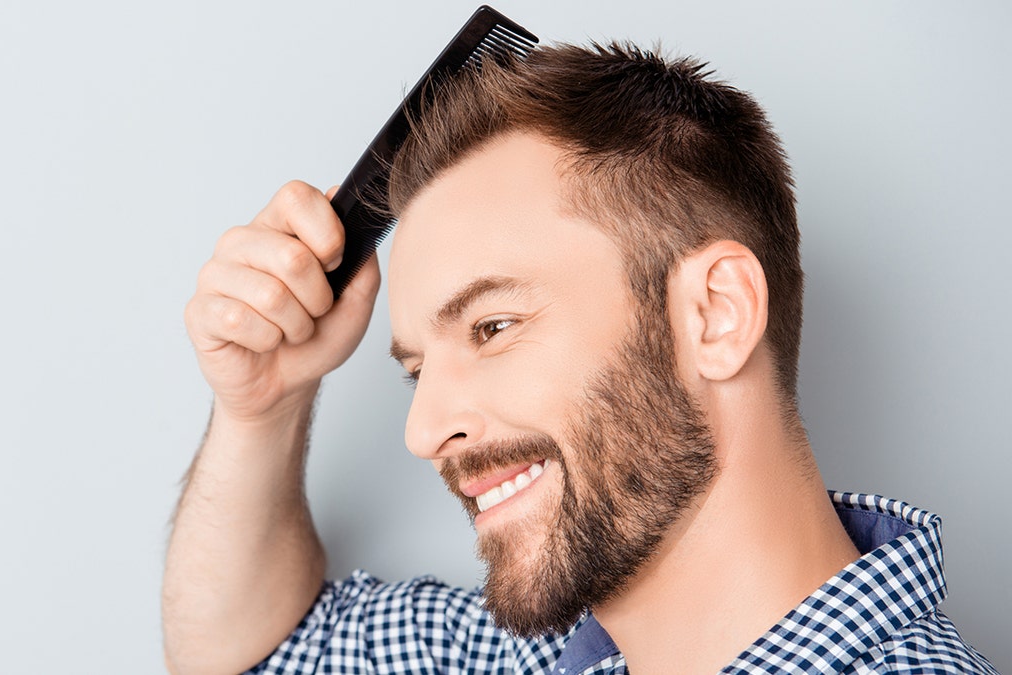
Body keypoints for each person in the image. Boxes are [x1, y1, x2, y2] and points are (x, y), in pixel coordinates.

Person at [163, 42, 999, 675]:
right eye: (417, 371)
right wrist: (262, 405)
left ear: (716, 314)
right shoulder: (539, 654)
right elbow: (252, 650)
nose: (422, 430)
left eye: (492, 326)